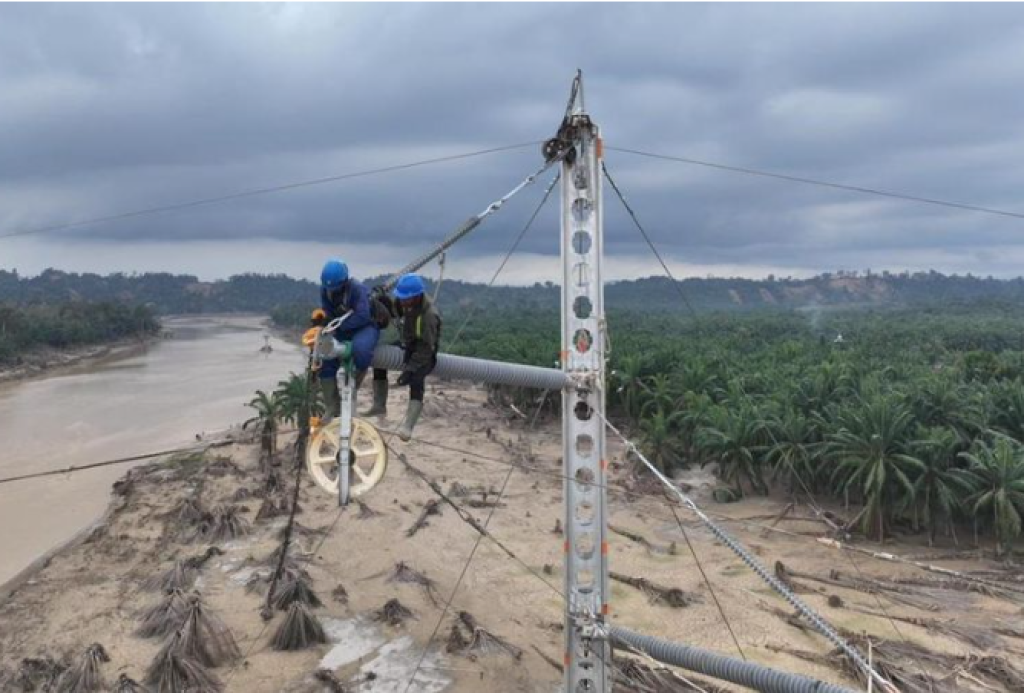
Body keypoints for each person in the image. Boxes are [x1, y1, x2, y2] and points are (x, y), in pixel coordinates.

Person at [315, 259, 380, 419]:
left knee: (361, 351)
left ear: (344, 282)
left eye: (335, 288)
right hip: (341, 327)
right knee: (325, 354)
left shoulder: (357, 290)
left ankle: (351, 390)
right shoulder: (325, 291)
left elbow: (363, 316)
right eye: (329, 288)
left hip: (364, 327)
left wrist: (340, 327)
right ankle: (332, 406)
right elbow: (328, 312)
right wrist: (325, 323)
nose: (332, 291)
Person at [386, 273, 441, 441]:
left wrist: (410, 369)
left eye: (406, 299)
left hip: (425, 350)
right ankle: (379, 404)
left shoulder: (429, 315)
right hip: (409, 343)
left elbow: (426, 348)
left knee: (416, 380)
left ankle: (408, 425)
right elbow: (392, 312)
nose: (402, 302)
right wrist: (381, 302)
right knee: (382, 354)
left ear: (416, 297)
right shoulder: (402, 302)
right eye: (401, 298)